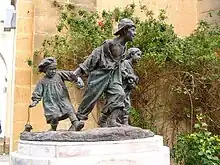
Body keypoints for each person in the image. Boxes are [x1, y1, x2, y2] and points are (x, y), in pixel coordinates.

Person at [73, 18, 136, 128]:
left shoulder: (125, 47)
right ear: (125, 30)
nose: (134, 33)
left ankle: (111, 121)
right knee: (89, 99)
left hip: (113, 77)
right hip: (100, 76)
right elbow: (94, 56)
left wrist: (127, 75)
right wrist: (78, 71)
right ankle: (75, 123)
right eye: (133, 30)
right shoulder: (110, 44)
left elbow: (119, 65)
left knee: (119, 95)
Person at [29, 57, 84, 131]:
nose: (53, 71)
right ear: (45, 70)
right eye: (51, 69)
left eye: (55, 69)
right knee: (54, 116)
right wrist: (35, 101)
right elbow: (37, 92)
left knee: (69, 109)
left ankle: (75, 123)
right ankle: (53, 128)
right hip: (50, 102)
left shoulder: (59, 74)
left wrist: (77, 79)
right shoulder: (42, 81)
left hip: (62, 99)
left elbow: (70, 75)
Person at [98, 48, 142, 127]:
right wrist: (130, 76)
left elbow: (129, 78)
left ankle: (124, 123)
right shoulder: (125, 63)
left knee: (126, 105)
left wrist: (133, 81)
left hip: (126, 90)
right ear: (132, 54)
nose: (140, 57)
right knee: (114, 104)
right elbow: (121, 72)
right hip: (120, 88)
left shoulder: (131, 66)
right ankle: (106, 120)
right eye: (138, 55)